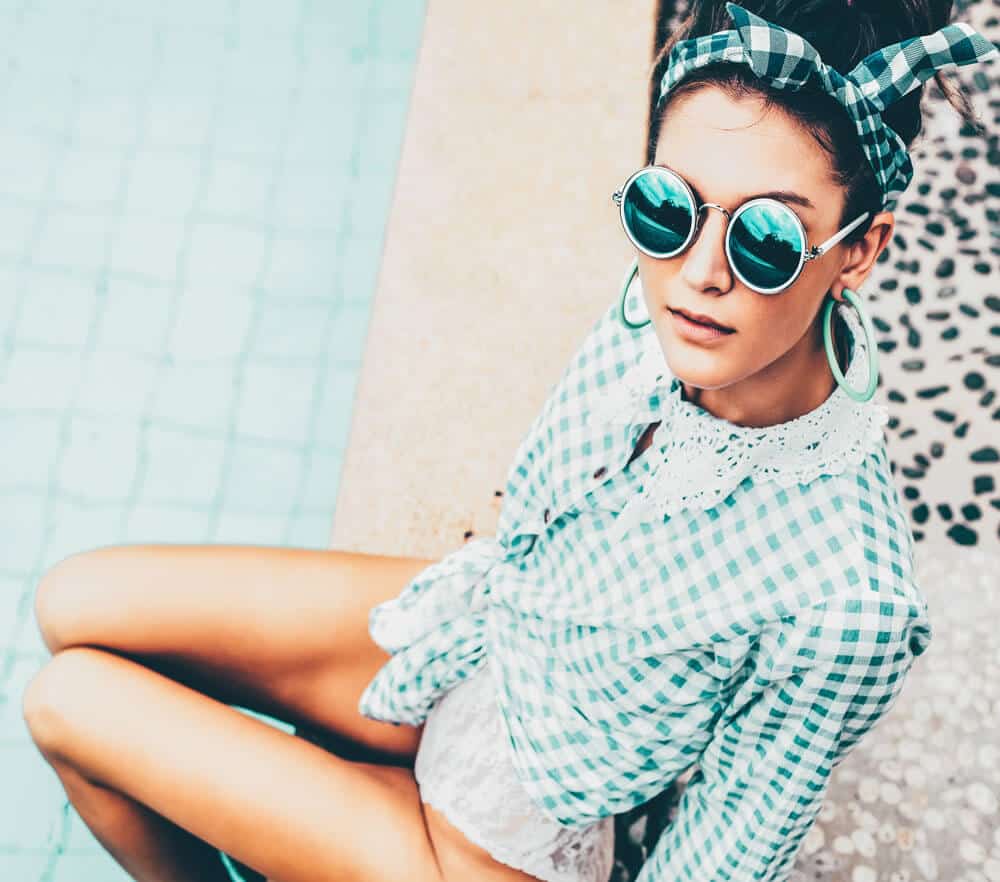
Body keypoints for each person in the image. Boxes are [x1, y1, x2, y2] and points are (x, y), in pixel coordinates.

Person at [20, 4, 997, 882]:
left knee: (70, 705)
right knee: (73, 601)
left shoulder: (846, 599)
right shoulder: (656, 306)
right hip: (480, 642)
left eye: (766, 242)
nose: (698, 274)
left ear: (861, 249)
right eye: (668, 207)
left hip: (512, 841)